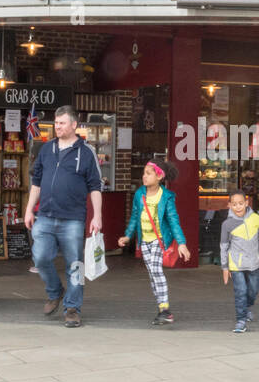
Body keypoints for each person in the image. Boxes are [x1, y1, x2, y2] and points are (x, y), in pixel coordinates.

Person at [24, 105, 103, 327]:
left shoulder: (86, 152)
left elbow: (95, 186)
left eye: (62, 123)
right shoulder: (46, 150)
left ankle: (72, 309)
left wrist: (97, 216)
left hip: (73, 219)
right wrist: (29, 209)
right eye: (56, 123)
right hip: (45, 216)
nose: (57, 127)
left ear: (74, 125)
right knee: (40, 257)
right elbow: (36, 182)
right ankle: (55, 291)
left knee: (75, 265)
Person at [118, 160, 191, 325]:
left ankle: (165, 309)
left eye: (148, 173)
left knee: (156, 271)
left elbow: (174, 221)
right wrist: (128, 236)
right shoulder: (139, 194)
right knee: (152, 274)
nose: (144, 176)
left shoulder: (166, 197)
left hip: (160, 240)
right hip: (144, 241)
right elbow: (135, 217)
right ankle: (162, 309)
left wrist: (181, 243)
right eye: (144, 173)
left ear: (159, 176)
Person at [220, 189, 259, 333]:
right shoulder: (227, 224)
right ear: (229, 205)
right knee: (240, 291)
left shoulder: (255, 218)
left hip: (254, 263)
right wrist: (225, 267)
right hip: (236, 265)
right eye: (234, 204)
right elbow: (223, 247)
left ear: (246, 203)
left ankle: (247, 306)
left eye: (241, 203)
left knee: (253, 290)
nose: (238, 207)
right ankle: (241, 320)